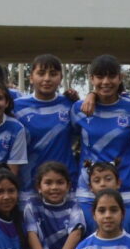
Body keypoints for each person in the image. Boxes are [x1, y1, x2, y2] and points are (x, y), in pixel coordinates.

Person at [11, 53, 80, 192]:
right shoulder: (16, 107)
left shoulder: (70, 104)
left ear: (60, 78)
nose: (47, 79)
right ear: (31, 77)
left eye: (53, 74)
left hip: (64, 184)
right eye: (41, 73)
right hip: (28, 184)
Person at [73, 56, 130, 199]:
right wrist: (91, 95)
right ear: (91, 79)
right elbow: (68, 139)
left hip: (126, 187)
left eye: (112, 76)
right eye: (100, 77)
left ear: (120, 78)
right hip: (87, 190)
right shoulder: (78, 109)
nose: (106, 82)